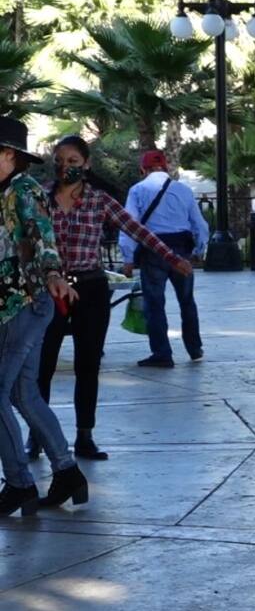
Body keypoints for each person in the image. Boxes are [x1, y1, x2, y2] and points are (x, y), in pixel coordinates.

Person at [31, 136, 192, 461]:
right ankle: (37, 435)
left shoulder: (99, 200)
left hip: (90, 288)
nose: (65, 167)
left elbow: (138, 231)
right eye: (59, 161)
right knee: (42, 365)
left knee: (87, 364)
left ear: (86, 164)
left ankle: (85, 436)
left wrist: (172, 258)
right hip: (51, 288)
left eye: (73, 161)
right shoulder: (40, 197)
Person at [0, 117, 87, 517]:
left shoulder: (24, 190)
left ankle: (19, 483)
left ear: (9, 155)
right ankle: (67, 472)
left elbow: (43, 237)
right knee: (23, 394)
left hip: (27, 303)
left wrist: (53, 274)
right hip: (12, 306)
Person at [119, 149, 208, 367]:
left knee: (155, 303)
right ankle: (194, 348)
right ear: (166, 168)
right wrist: (199, 249)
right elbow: (199, 223)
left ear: (143, 169)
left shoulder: (137, 190)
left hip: (152, 250)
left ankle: (162, 353)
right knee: (187, 301)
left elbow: (130, 224)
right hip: (181, 251)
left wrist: (128, 258)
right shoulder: (184, 190)